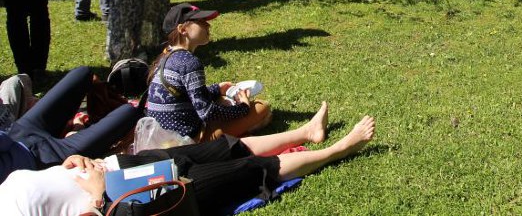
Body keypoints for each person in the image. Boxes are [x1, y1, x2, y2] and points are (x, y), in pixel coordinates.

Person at [0, 104, 375, 216]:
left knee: (227, 147)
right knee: (247, 171)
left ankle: (307, 133)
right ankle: (339, 150)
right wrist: (98, 197)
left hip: (123, 167)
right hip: (135, 200)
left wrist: (70, 163)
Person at [146, 3, 272, 141]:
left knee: (223, 100)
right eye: (201, 21)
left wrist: (217, 89)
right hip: (185, 142)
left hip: (159, 139)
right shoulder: (189, 62)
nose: (208, 25)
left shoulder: (166, 55)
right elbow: (207, 112)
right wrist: (243, 107)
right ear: (183, 29)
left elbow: (187, 95)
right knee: (262, 107)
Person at [0, 66, 142, 184]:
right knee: (129, 112)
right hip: (42, 159)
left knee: (83, 73)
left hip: (18, 133)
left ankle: (83, 118)